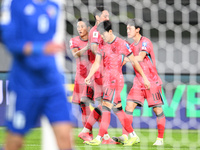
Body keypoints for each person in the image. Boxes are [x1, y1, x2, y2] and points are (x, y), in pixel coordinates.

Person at [1, 0, 73, 150]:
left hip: (52, 82)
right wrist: (41, 48)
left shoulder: (53, 6)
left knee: (65, 137)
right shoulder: (13, 4)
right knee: (15, 142)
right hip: (24, 84)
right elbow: (11, 43)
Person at [84, 20, 150, 146]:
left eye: (103, 34)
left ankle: (98, 138)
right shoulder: (101, 44)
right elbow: (97, 63)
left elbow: (135, 62)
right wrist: (89, 76)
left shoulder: (122, 44)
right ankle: (133, 136)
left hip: (116, 81)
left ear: (110, 31)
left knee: (105, 107)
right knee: (118, 110)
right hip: (106, 81)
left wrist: (145, 78)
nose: (102, 37)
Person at [112, 18, 166, 146]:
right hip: (138, 82)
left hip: (151, 81)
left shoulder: (145, 42)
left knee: (157, 110)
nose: (128, 31)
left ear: (137, 29)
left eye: (130, 28)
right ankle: (126, 136)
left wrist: (127, 59)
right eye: (127, 29)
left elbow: (141, 57)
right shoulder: (130, 46)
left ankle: (160, 139)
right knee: (129, 107)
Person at [78, 6, 118, 144]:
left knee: (104, 105)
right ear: (97, 17)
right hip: (100, 72)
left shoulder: (100, 32)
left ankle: (104, 136)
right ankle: (86, 131)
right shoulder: (95, 32)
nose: (107, 18)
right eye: (105, 16)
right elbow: (95, 49)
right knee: (106, 105)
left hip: (101, 72)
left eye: (108, 16)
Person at [69, 18, 94, 128]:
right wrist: (87, 48)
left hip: (94, 76)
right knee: (83, 104)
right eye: (78, 26)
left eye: (82, 26)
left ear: (88, 28)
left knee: (103, 104)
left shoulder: (94, 40)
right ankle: (88, 132)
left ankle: (104, 134)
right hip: (81, 77)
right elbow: (75, 54)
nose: (79, 29)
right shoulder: (73, 40)